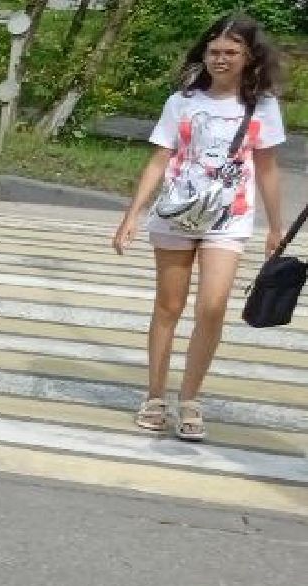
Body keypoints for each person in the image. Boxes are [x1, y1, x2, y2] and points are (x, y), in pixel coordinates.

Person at [115, 13, 286, 444]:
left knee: (211, 307)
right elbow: (159, 160)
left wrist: (275, 227)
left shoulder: (261, 108)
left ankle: (189, 399)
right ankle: (155, 397)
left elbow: (267, 170)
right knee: (168, 307)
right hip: (175, 215)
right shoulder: (182, 102)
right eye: (214, 51)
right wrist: (132, 214)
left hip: (229, 220)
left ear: (249, 57)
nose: (220, 59)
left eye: (231, 52)